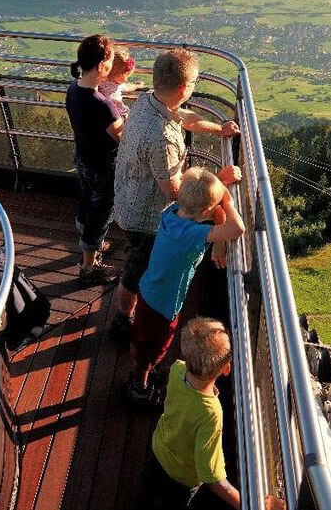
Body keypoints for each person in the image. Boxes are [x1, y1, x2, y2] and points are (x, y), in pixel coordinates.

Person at [112, 48, 240, 337]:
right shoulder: (162, 138)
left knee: (138, 266)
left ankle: (131, 311)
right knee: (135, 273)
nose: (194, 87)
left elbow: (186, 118)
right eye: (194, 82)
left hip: (128, 197)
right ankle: (123, 321)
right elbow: (175, 194)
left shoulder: (149, 101)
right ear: (184, 87)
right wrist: (219, 181)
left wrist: (219, 129)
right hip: (143, 218)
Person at [126, 167, 245, 407]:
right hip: (163, 304)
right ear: (205, 211)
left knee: (145, 340)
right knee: (154, 346)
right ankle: (139, 387)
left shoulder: (171, 213)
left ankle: (145, 369)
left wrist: (219, 185)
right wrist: (228, 200)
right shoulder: (192, 233)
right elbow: (237, 229)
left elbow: (199, 199)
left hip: (149, 291)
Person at [145, 318, 241, 509]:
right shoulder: (211, 413)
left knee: (153, 489)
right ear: (226, 369)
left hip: (159, 451)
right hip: (182, 478)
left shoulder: (177, 369)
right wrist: (244, 503)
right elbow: (211, 475)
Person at [65, 34, 124, 284]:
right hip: (103, 166)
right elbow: (122, 136)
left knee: (87, 199)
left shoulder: (73, 88)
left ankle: (89, 240)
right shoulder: (103, 105)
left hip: (83, 157)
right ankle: (89, 267)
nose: (111, 66)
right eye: (110, 61)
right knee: (100, 215)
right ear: (101, 65)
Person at [97, 45, 141, 119]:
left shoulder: (101, 82)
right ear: (118, 73)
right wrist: (137, 86)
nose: (127, 79)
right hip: (118, 115)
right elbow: (127, 87)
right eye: (127, 75)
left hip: (110, 115)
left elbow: (127, 87)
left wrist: (137, 86)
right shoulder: (104, 84)